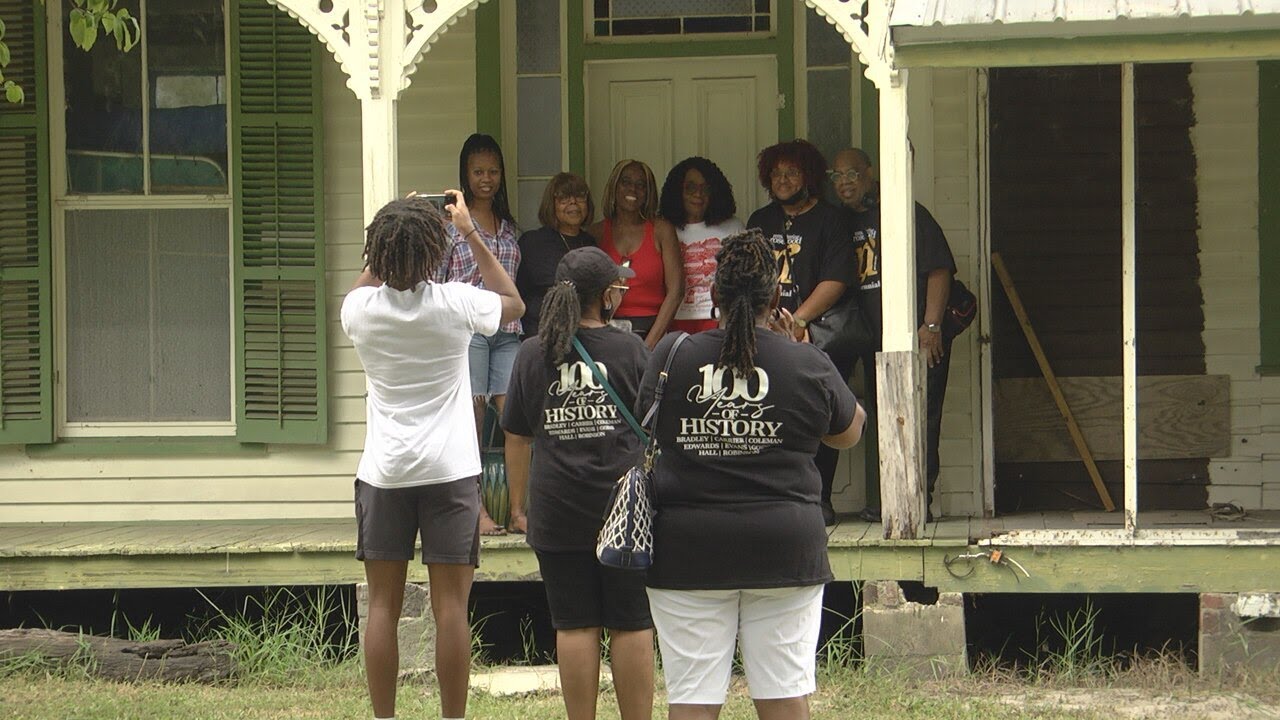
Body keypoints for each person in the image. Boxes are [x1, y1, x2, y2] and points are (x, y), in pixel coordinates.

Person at [640, 230, 865, 720]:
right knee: (784, 697)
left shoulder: (672, 355)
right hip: (784, 547)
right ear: (776, 295)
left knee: (692, 700)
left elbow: (648, 427)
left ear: (714, 294)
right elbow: (850, 432)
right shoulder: (806, 361)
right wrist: (795, 350)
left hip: (688, 550)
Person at [341, 192, 524, 720]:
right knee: (451, 610)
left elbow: (359, 289)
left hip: (385, 473)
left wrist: (394, 233)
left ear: (378, 251)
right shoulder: (455, 302)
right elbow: (512, 303)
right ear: (432, 252)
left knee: (382, 607)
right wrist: (467, 230)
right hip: (450, 472)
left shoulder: (361, 311)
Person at [502, 246, 655, 720]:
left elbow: (517, 435)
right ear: (605, 296)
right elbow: (653, 424)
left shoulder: (532, 353)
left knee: (573, 624)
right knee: (631, 622)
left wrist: (518, 507)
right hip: (624, 509)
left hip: (556, 504)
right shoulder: (631, 349)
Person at [830, 147, 957, 523]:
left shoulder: (904, 212)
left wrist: (931, 327)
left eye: (852, 174)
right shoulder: (838, 223)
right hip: (870, 341)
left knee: (922, 417)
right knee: (886, 419)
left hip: (916, 337)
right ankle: (891, 498)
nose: (845, 183)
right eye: (837, 176)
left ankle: (918, 502)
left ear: (870, 173)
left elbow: (939, 270)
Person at [746, 139, 858, 526]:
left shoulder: (830, 220)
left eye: (791, 172)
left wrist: (798, 322)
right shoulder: (761, 220)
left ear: (808, 176)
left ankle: (819, 498)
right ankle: (775, 497)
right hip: (766, 335)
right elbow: (747, 277)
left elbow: (837, 278)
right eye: (776, 173)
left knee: (819, 414)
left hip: (819, 335)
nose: (782, 180)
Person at [437, 133, 522, 536]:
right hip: (468, 329)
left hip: (507, 329)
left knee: (515, 417)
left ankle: (519, 510)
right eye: (478, 172)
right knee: (471, 417)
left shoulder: (509, 227)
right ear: (465, 175)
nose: (486, 179)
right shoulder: (450, 225)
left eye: (493, 171)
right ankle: (476, 510)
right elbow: (437, 281)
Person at [588, 159, 685, 350]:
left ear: (648, 193)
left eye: (641, 185)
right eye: (626, 182)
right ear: (614, 187)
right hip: (605, 331)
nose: (633, 189)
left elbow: (676, 291)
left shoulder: (661, 230)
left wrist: (648, 347)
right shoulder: (595, 233)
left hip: (651, 330)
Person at [659, 156, 745, 334]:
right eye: (690, 188)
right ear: (678, 191)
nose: (698, 194)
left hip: (720, 320)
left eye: (705, 188)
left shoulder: (733, 227)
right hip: (674, 320)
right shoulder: (663, 229)